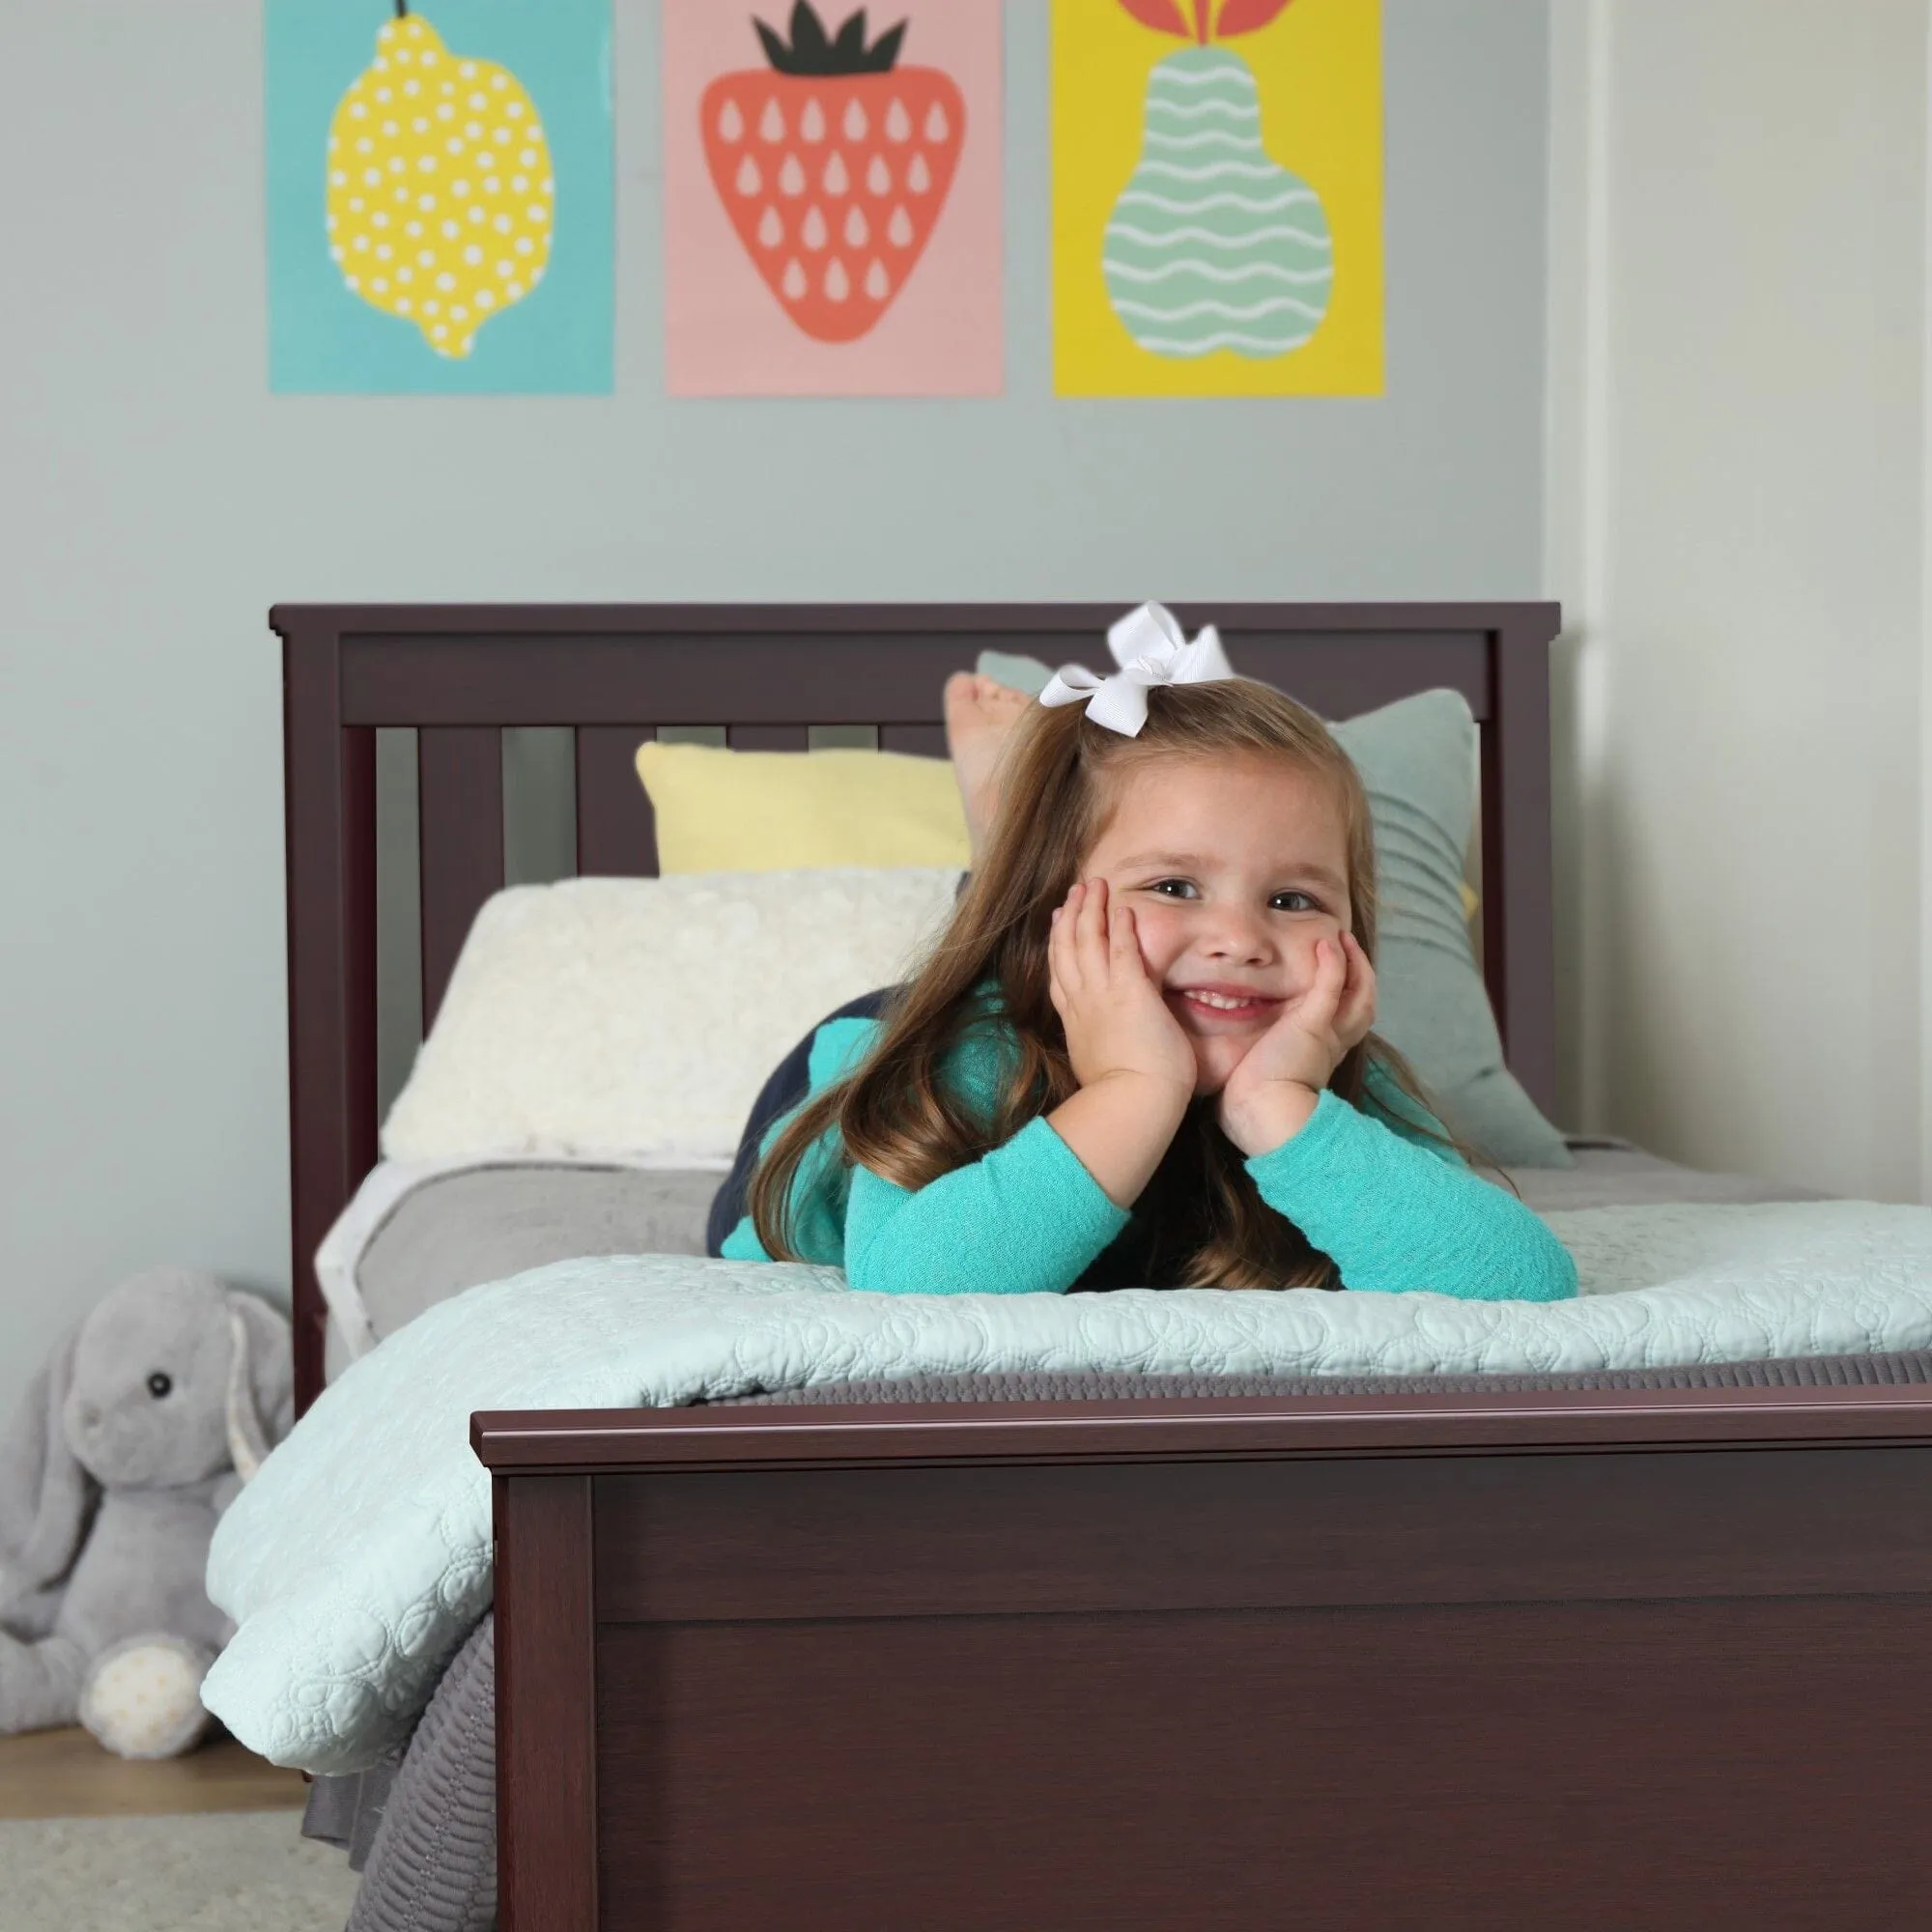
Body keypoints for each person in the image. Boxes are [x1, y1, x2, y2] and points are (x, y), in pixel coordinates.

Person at [716, 606, 1577, 1300]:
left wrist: (1282, 1107)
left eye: (1292, 900)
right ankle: (1005, 856)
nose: (1241, 941)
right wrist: (1135, 1089)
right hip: (864, 1053)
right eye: (1174, 886)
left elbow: (1524, 1284)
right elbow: (915, 1288)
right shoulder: (965, 1063)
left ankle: (1020, 834)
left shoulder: (1340, 1082)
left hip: (1086, 957)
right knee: (987, 960)